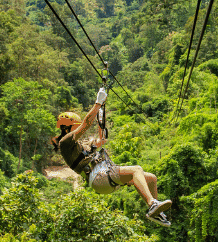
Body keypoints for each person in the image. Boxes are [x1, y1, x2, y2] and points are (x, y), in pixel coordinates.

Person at [50, 87, 172, 226]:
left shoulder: (81, 145)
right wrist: (98, 103)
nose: (78, 130)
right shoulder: (65, 143)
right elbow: (86, 124)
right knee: (136, 170)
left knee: (151, 179)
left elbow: (100, 141)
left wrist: (100, 119)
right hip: (99, 176)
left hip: (103, 176)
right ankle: (152, 204)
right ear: (68, 127)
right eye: (75, 126)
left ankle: (157, 213)